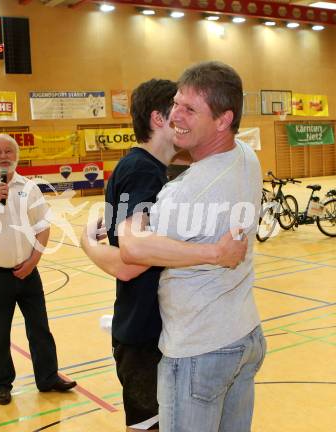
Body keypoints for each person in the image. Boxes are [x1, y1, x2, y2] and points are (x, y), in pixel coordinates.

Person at [81, 79, 248, 431]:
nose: (185, 119)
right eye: (179, 109)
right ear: (160, 118)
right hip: (143, 335)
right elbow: (130, 262)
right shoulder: (142, 170)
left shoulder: (155, 170)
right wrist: (88, 244)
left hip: (153, 329)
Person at [115, 61, 266, 432]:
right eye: (175, 104)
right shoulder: (246, 156)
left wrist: (94, 237)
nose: (174, 116)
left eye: (189, 109)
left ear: (222, 120)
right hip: (243, 335)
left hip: (199, 351)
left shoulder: (185, 193)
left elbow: (131, 252)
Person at [0, 133, 76, 406]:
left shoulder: (29, 188)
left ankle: (48, 378)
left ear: (16, 156)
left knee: (40, 328)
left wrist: (34, 261)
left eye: (8, 151)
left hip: (28, 272)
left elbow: (43, 226)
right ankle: (2, 384)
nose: (3, 156)